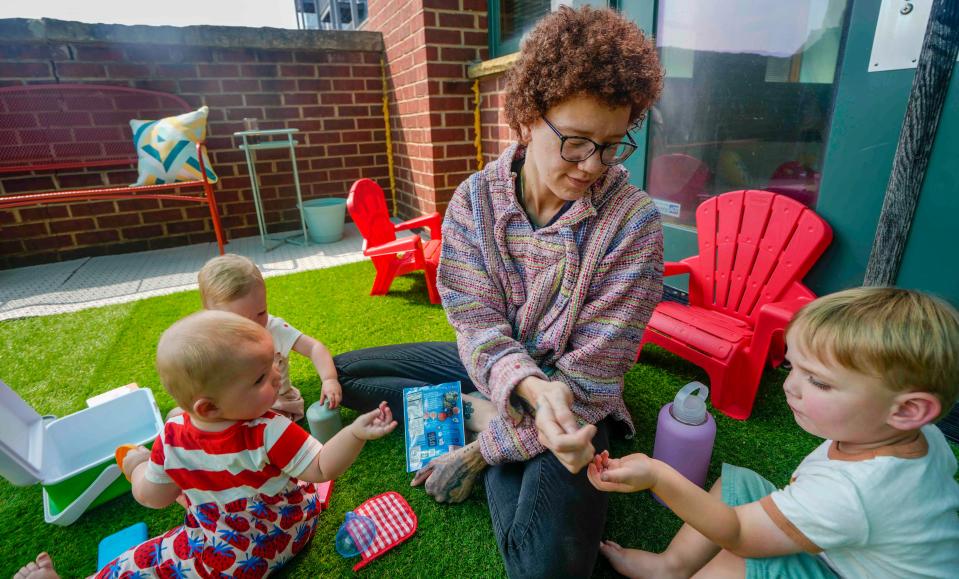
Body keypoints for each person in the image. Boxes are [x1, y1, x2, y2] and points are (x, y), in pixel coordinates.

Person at [333, 6, 664, 576]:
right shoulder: (473, 202)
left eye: (612, 145)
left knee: (546, 567)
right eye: (577, 141)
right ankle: (480, 408)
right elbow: (476, 323)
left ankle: (487, 419)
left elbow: (590, 378)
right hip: (495, 370)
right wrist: (518, 390)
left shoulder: (633, 226)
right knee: (343, 376)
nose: (593, 166)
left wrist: (482, 450)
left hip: (574, 404)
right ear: (529, 116)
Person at [588, 287, 959, 578]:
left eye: (819, 382)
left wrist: (657, 475)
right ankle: (670, 567)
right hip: (851, 548)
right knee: (739, 486)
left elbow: (739, 534)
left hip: (843, 570)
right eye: (793, 367)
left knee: (740, 562)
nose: (790, 388)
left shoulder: (855, 492)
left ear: (909, 410)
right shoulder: (914, 434)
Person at [14, 310, 397, 579]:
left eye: (273, 365)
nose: (278, 375)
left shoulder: (172, 437)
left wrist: (134, 465)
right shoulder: (271, 429)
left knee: (141, 562)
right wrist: (354, 433)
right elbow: (322, 469)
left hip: (229, 559)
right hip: (293, 530)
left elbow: (152, 497)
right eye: (262, 377)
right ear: (209, 406)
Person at [199, 253, 344, 419]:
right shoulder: (211, 338)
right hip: (233, 405)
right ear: (211, 315)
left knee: (264, 422)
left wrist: (329, 379)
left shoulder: (274, 328)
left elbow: (314, 347)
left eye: (261, 312)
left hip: (275, 402)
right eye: (240, 320)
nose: (255, 324)